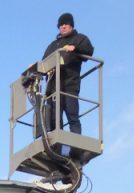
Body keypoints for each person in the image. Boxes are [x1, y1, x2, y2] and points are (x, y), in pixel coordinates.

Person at [42, 13, 94, 151]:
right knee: (53, 119)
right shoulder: (53, 45)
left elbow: (89, 50)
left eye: (65, 24)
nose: (63, 26)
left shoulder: (79, 39)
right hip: (53, 88)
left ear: (71, 25)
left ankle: (75, 145)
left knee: (72, 115)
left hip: (69, 84)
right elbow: (44, 63)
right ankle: (57, 148)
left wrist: (75, 49)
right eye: (60, 25)